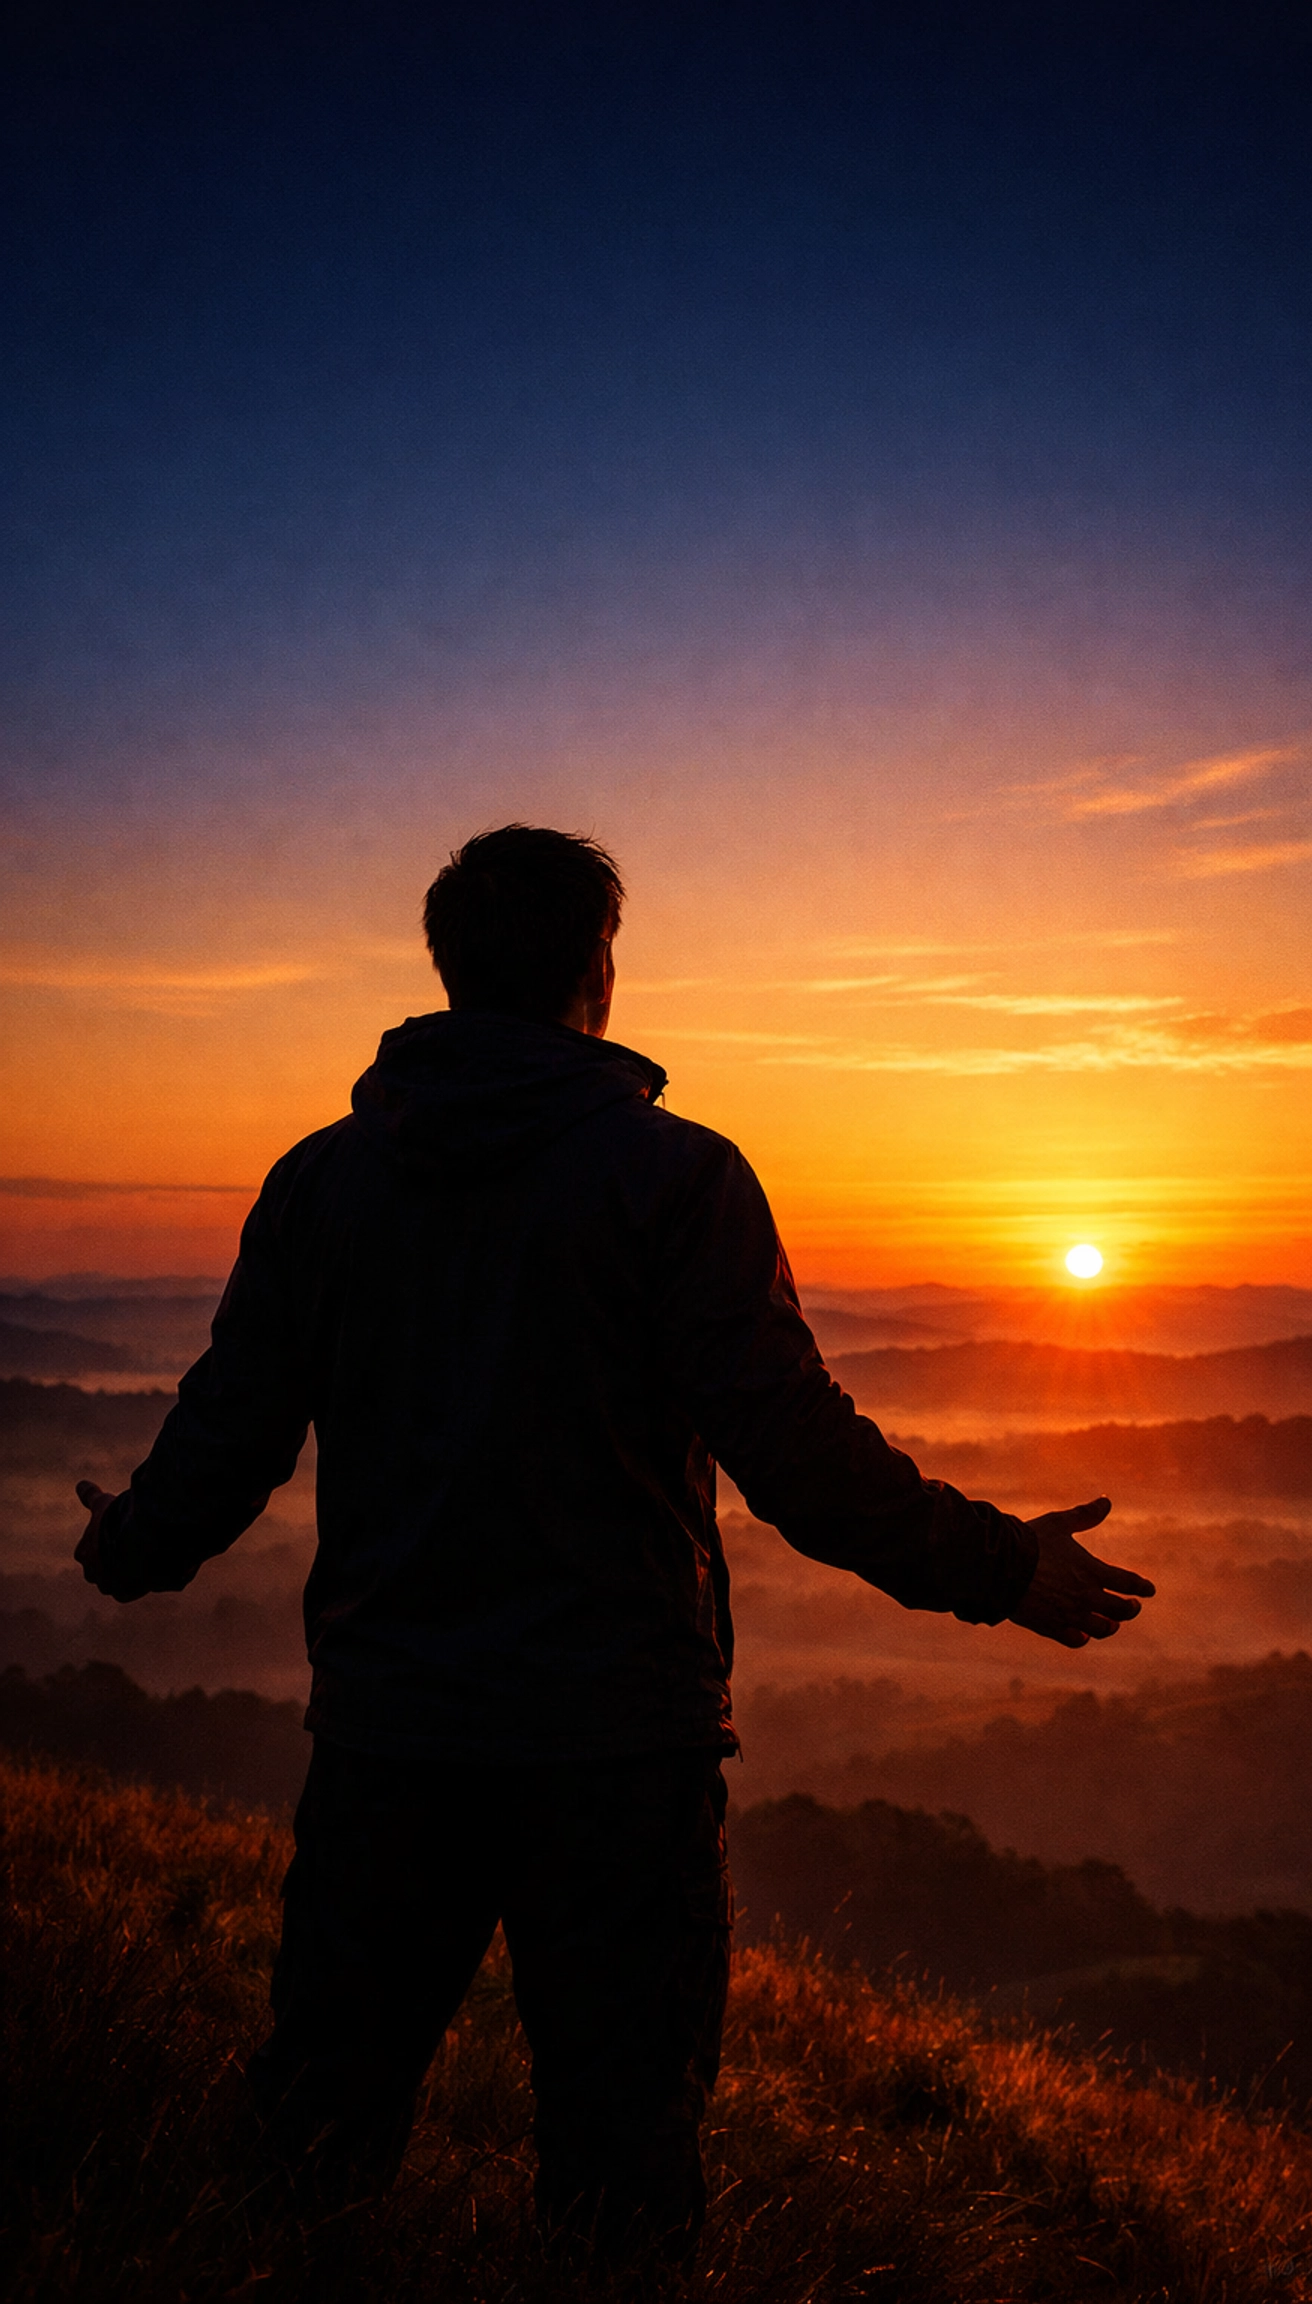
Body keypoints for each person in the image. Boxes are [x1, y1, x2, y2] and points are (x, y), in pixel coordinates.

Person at [74, 824, 1154, 2268]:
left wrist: (131, 1545)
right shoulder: (675, 1180)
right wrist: (1003, 1568)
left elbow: (234, 1423)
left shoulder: (324, 1181)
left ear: (447, 970)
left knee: (311, 2145)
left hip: (390, 1740)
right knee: (622, 2178)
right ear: (599, 968)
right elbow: (797, 1454)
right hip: (617, 1756)